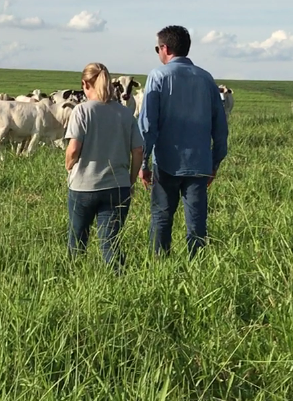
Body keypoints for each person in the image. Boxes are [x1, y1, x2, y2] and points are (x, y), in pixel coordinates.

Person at [139, 25, 229, 258]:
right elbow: (220, 125)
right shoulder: (206, 78)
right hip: (199, 163)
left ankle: (159, 267)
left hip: (167, 161)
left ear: (165, 48)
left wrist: (143, 162)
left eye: (157, 48)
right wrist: (215, 162)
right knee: (197, 222)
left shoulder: (158, 75)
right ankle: (196, 269)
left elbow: (148, 125)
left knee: (161, 218)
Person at [64, 62, 144, 271]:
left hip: (83, 186)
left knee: (77, 242)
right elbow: (138, 151)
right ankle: (120, 284)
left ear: (84, 84)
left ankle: (74, 281)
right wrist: (131, 179)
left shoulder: (82, 111)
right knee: (111, 243)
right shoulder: (126, 113)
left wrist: (69, 166)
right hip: (117, 186)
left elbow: (73, 149)